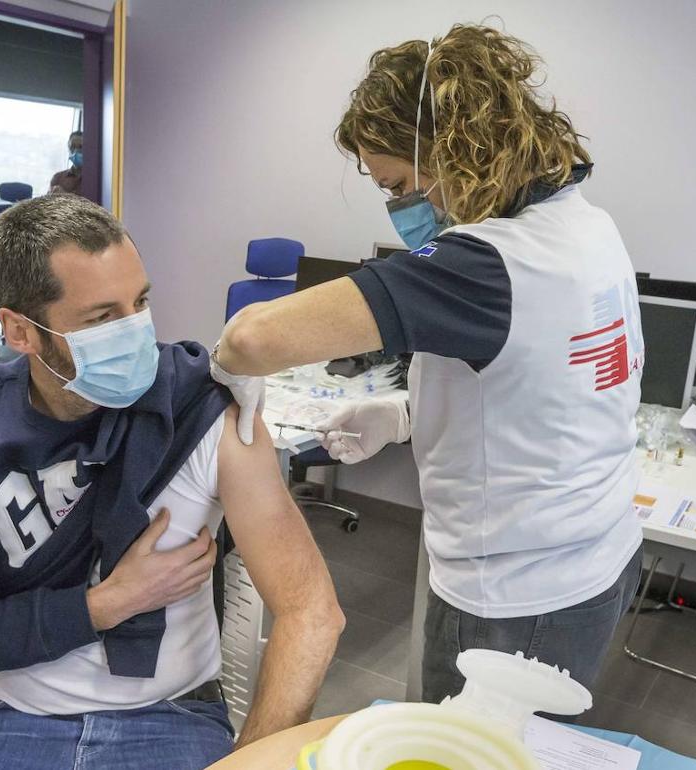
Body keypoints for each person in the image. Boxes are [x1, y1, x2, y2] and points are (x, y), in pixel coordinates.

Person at [212, 25, 644, 703]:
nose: (402, 208)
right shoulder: (587, 227)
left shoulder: (485, 262)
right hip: (593, 558)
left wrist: (221, 363)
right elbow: (539, 382)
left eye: (401, 184)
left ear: (455, 152)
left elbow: (250, 340)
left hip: (514, 595)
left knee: (466, 749)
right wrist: (407, 413)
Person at [0, 195, 344, 769]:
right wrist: (108, 604)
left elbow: (311, 612)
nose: (135, 332)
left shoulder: (199, 409)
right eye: (102, 318)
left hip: (169, 715)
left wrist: (250, 763)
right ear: (19, 331)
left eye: (141, 302)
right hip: (9, 716)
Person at [49, 130, 83, 195]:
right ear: (68, 149)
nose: (76, 151)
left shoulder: (95, 181)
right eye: (72, 147)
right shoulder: (57, 178)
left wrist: (64, 196)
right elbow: (47, 203)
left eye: (80, 147)